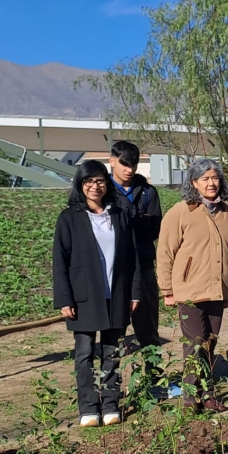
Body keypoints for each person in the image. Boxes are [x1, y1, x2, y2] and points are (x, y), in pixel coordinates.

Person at [53, 160, 140, 427]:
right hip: (84, 296)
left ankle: (111, 403)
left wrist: (134, 292)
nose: (95, 186)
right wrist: (64, 298)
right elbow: (61, 260)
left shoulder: (120, 215)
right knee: (84, 353)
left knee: (112, 351)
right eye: (89, 181)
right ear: (80, 185)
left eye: (100, 180)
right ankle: (89, 407)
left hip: (116, 295)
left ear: (107, 183)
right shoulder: (69, 218)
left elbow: (132, 258)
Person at [157, 159, 228, 413]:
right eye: (204, 179)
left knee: (209, 344)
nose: (211, 183)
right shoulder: (181, 211)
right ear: (194, 183)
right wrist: (167, 289)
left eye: (215, 178)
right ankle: (189, 399)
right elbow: (165, 252)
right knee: (194, 344)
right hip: (190, 292)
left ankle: (208, 395)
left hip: (218, 290)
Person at [108, 141, 162, 350]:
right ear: (112, 161)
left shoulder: (149, 192)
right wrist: (139, 222)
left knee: (148, 326)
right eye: (124, 164)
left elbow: (155, 229)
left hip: (145, 265)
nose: (129, 169)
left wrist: (128, 225)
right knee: (114, 330)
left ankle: (154, 377)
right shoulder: (104, 192)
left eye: (133, 164)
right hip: (115, 269)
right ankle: (111, 379)